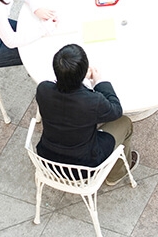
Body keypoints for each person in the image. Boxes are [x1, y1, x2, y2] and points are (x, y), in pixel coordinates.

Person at [36, 44, 138, 186]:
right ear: (84, 71)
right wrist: (99, 82)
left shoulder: (43, 89)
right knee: (124, 122)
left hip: (47, 158)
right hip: (83, 166)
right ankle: (115, 175)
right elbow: (116, 110)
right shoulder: (92, 102)